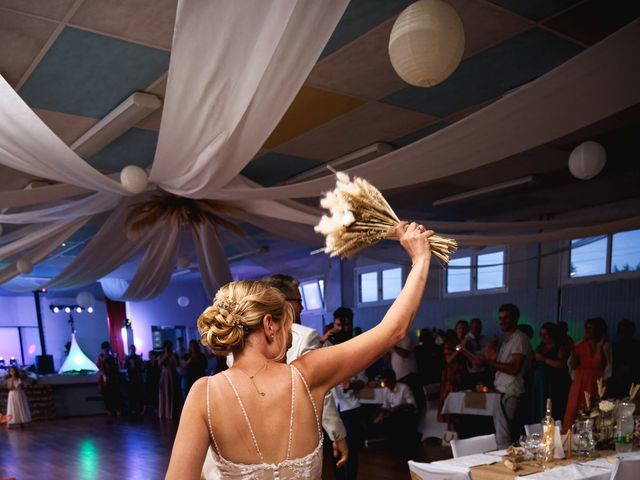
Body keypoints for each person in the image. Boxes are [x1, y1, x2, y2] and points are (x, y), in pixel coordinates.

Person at [166, 222, 434, 479]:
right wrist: (420, 259)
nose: (292, 340)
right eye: (288, 326)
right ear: (269, 325)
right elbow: (393, 330)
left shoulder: (204, 393)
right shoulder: (308, 375)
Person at [474, 304, 532, 448]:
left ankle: (507, 468)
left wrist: (488, 361)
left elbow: (514, 369)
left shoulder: (520, 338)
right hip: (502, 392)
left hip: (510, 392)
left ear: (516, 318)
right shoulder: (507, 340)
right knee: (502, 436)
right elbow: (499, 370)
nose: (502, 321)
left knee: (504, 438)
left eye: (506, 318)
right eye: (500, 318)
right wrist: (490, 359)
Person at [563, 317, 609, 432]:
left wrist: (599, 348)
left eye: (590, 328)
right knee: (575, 407)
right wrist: (572, 352)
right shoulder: (579, 345)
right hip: (581, 380)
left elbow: (605, 365)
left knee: (595, 408)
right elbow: (572, 365)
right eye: (586, 328)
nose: (587, 330)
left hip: (597, 380)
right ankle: (570, 435)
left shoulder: (605, 345)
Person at [530, 323, 570, 422]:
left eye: (546, 334)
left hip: (551, 384)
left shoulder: (559, 348)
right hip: (539, 384)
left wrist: (543, 359)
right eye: (541, 335)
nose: (543, 337)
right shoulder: (540, 347)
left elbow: (562, 365)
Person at [373, 369, 417, 458]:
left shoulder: (404, 388)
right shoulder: (386, 390)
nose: (386, 384)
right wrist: (381, 415)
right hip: (393, 415)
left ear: (392, 379)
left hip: (407, 415)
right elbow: (385, 405)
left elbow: (413, 406)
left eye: (387, 382)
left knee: (396, 420)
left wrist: (399, 407)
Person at [609, 319, 640, 398]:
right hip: (617, 378)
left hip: (632, 378)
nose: (623, 333)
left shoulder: (636, 346)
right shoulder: (614, 346)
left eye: (626, 330)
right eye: (622, 330)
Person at [462, 318, 491, 389]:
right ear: (470, 328)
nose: (476, 330)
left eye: (478, 327)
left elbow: (489, 354)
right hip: (470, 373)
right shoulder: (466, 340)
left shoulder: (485, 339)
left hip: (483, 372)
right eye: (474, 327)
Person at [159, 340, 182, 420]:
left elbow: (177, 364)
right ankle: (165, 412)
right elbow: (159, 364)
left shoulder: (174, 355)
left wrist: (173, 358)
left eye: (169, 347)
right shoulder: (162, 355)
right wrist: (165, 355)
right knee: (165, 393)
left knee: (173, 393)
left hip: (173, 375)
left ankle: (173, 412)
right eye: (166, 347)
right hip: (165, 376)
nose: (167, 348)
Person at [97, 341, 121, 415]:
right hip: (105, 378)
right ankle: (109, 409)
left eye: (107, 349)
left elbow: (116, 367)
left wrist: (116, 360)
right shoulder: (101, 356)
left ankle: (116, 409)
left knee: (115, 394)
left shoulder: (112, 356)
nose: (106, 350)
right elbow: (99, 366)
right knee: (106, 394)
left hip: (112, 377)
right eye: (105, 349)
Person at [125, 344, 144, 416]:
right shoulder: (128, 358)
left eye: (133, 349)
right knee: (131, 394)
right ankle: (132, 409)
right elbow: (125, 367)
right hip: (130, 378)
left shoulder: (138, 357)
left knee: (137, 393)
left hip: (137, 377)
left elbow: (141, 368)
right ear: (130, 350)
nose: (132, 351)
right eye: (131, 349)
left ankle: (138, 409)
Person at [144, 350, 160, 416]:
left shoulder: (157, 363)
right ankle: (144, 409)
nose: (149, 356)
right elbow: (145, 371)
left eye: (151, 355)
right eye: (149, 355)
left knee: (155, 395)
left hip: (155, 381)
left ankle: (156, 409)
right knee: (147, 395)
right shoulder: (147, 363)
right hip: (149, 381)